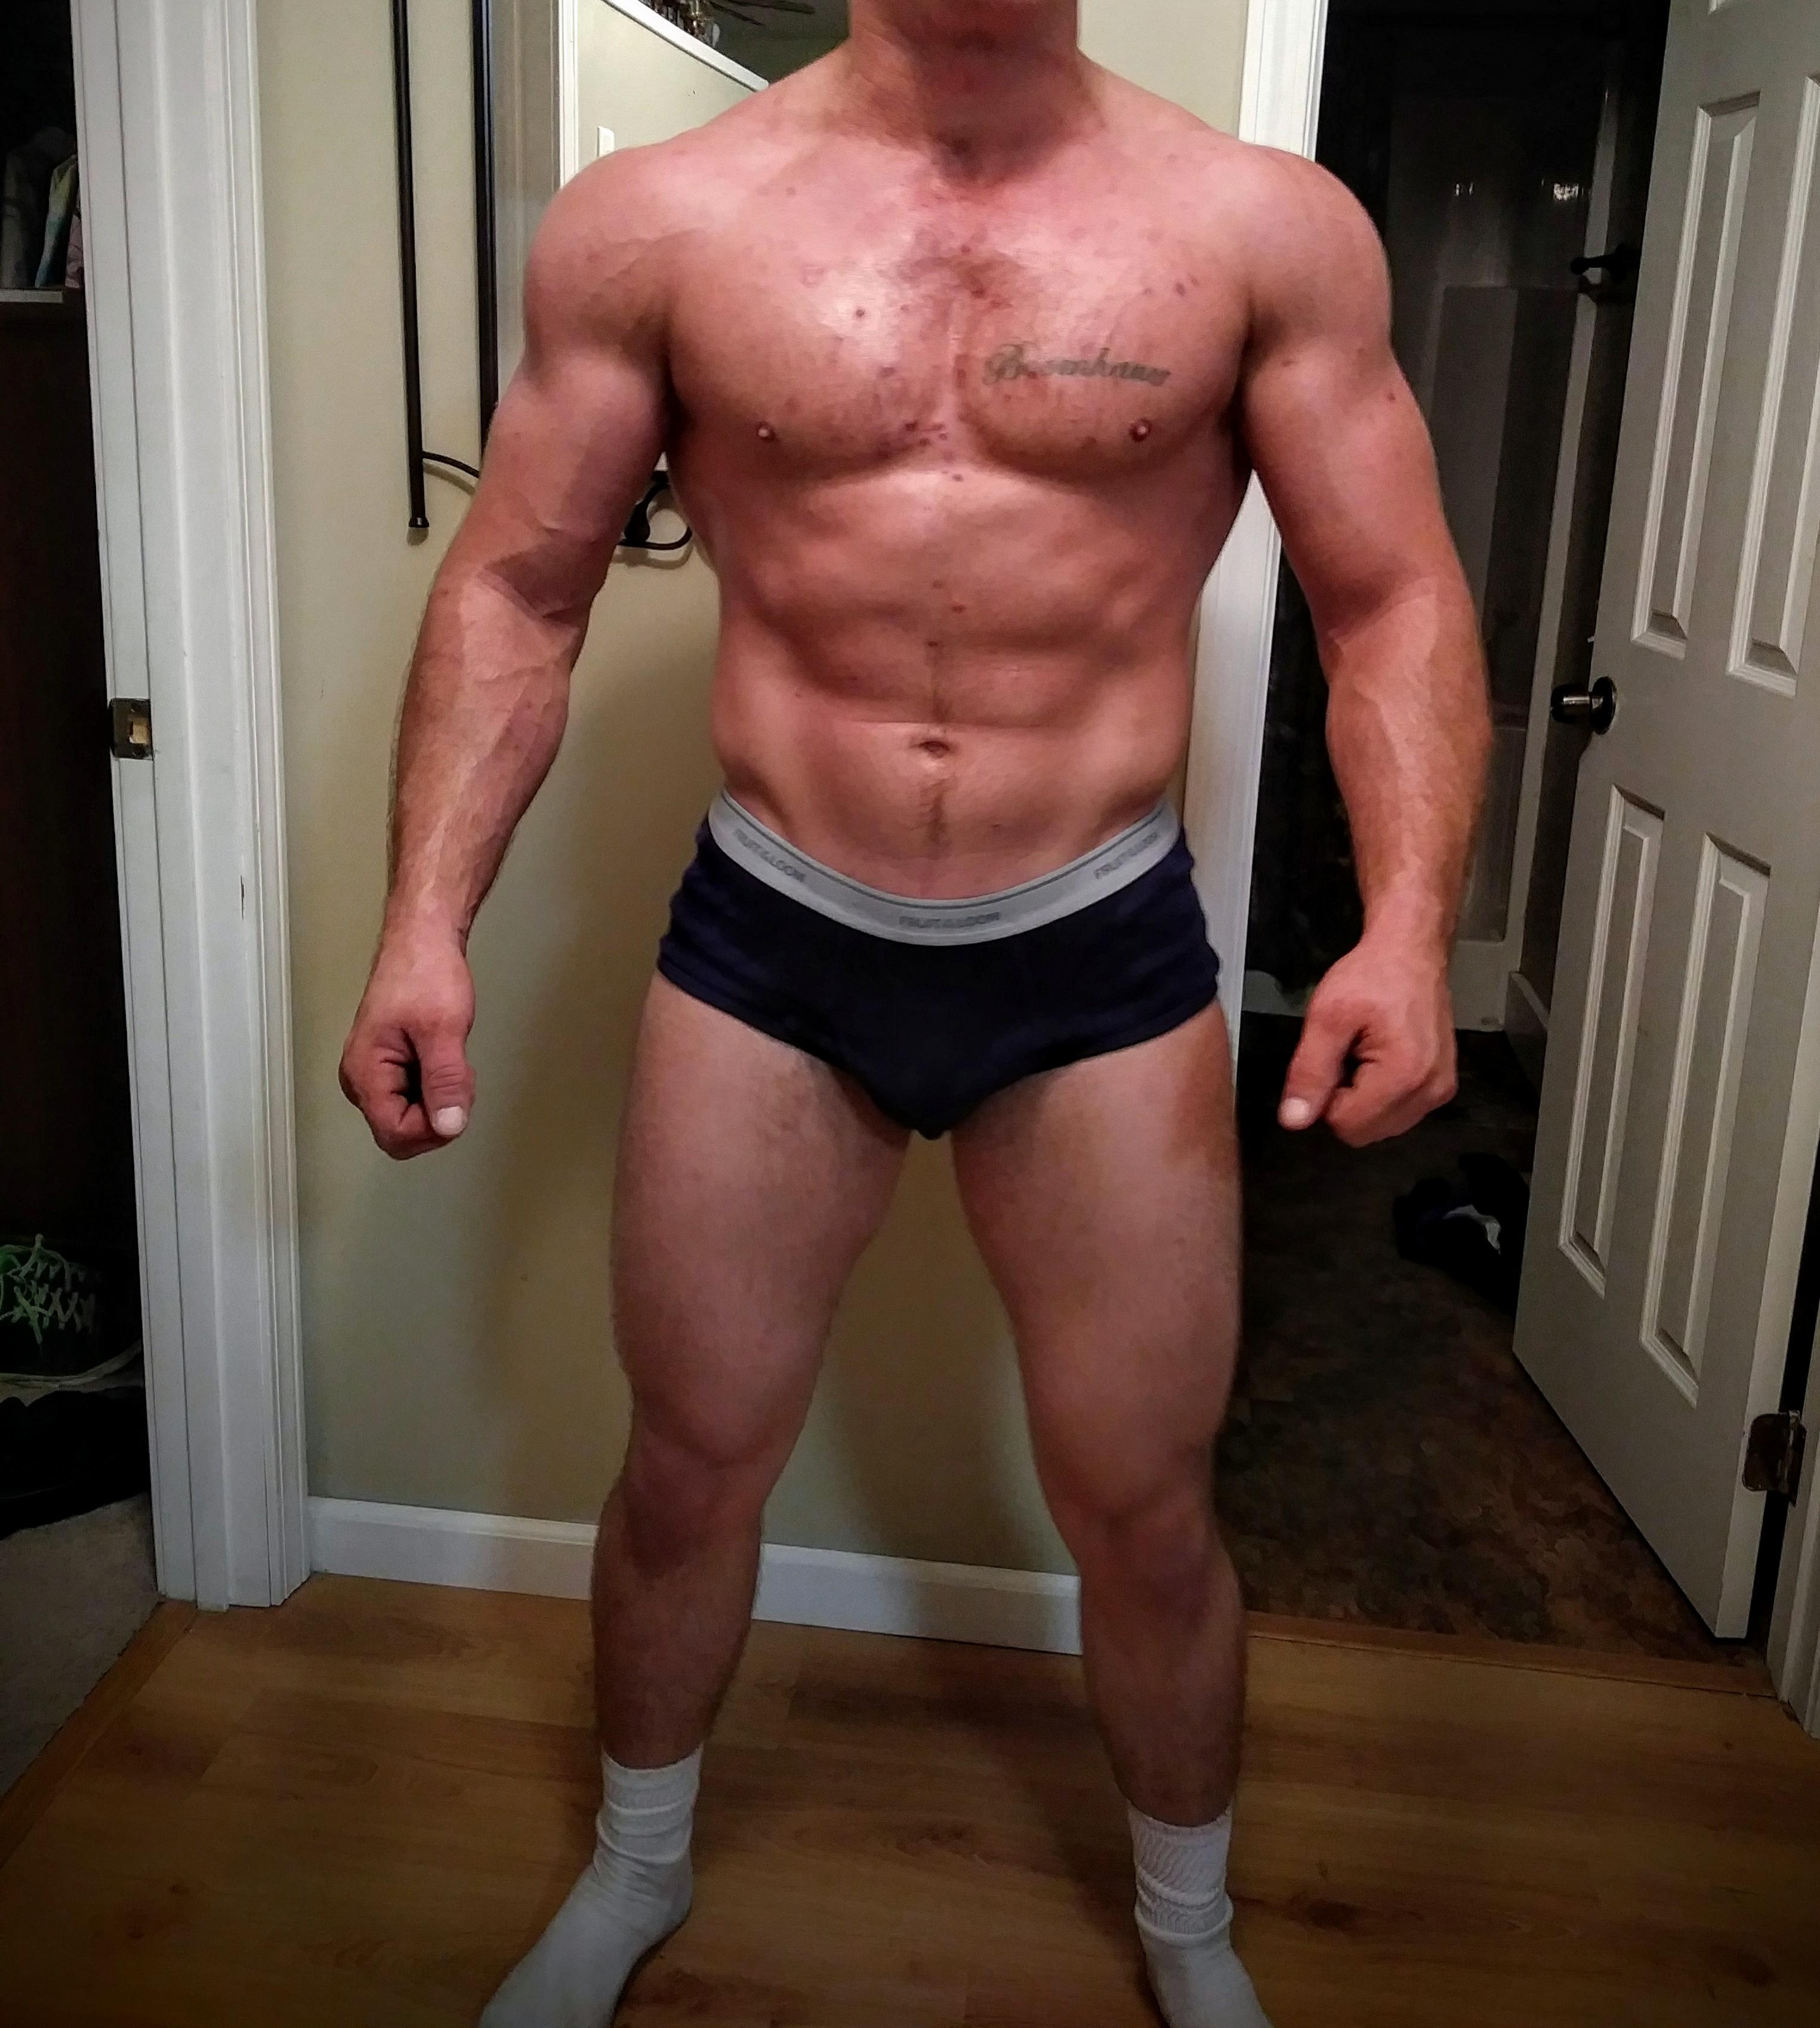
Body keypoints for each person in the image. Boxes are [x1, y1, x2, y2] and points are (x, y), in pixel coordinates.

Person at [338, 3, 1490, 2022]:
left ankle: (1189, 1931)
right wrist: (422, 925)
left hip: (1096, 954)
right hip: (775, 941)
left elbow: (1384, 596)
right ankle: (632, 1871)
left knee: (1143, 1513)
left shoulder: (1259, 226)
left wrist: (1406, 927)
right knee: (689, 1469)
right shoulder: (660, 221)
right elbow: (519, 589)